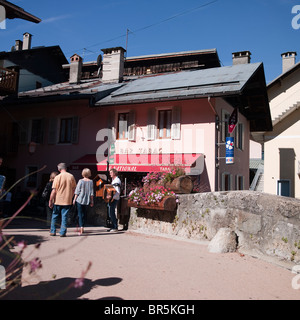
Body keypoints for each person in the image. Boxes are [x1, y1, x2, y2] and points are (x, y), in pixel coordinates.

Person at [49, 163, 76, 237]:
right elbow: (74, 189)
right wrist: (71, 196)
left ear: (59, 169)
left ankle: (53, 231)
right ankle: (62, 232)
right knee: (64, 217)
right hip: (67, 200)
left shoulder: (57, 177)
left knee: (55, 216)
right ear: (66, 168)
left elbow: (54, 191)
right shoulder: (71, 176)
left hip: (58, 200)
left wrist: (50, 200)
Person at [73, 168, 94, 235]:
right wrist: (92, 201)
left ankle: (81, 227)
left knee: (80, 213)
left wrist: (74, 199)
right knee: (84, 214)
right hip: (87, 200)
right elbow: (91, 193)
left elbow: (77, 191)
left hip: (80, 199)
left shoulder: (80, 181)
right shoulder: (91, 182)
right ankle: (83, 226)